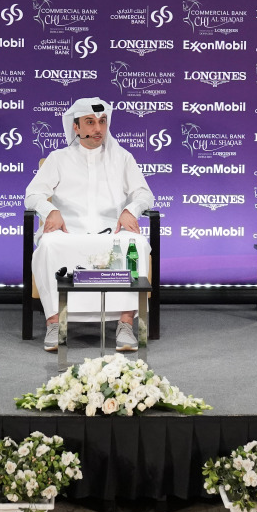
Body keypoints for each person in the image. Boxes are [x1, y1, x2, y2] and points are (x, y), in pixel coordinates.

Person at [25, 97, 155, 353]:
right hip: (69, 234)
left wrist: (131, 209)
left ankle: (126, 323)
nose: (98, 128)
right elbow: (32, 195)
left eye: (102, 122)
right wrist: (50, 210)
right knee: (48, 245)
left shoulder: (122, 157)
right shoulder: (58, 158)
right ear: (76, 127)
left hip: (111, 236)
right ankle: (54, 322)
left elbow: (144, 194)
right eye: (90, 122)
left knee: (137, 243)